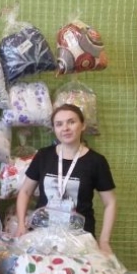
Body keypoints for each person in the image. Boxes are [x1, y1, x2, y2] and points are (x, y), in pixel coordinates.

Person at [15, 104, 117, 254]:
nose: (65, 128)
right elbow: (25, 191)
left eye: (71, 122)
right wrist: (21, 225)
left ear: (83, 125)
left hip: (79, 238)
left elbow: (110, 202)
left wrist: (104, 241)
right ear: (54, 129)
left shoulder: (96, 161)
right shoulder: (43, 156)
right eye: (59, 124)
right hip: (42, 235)